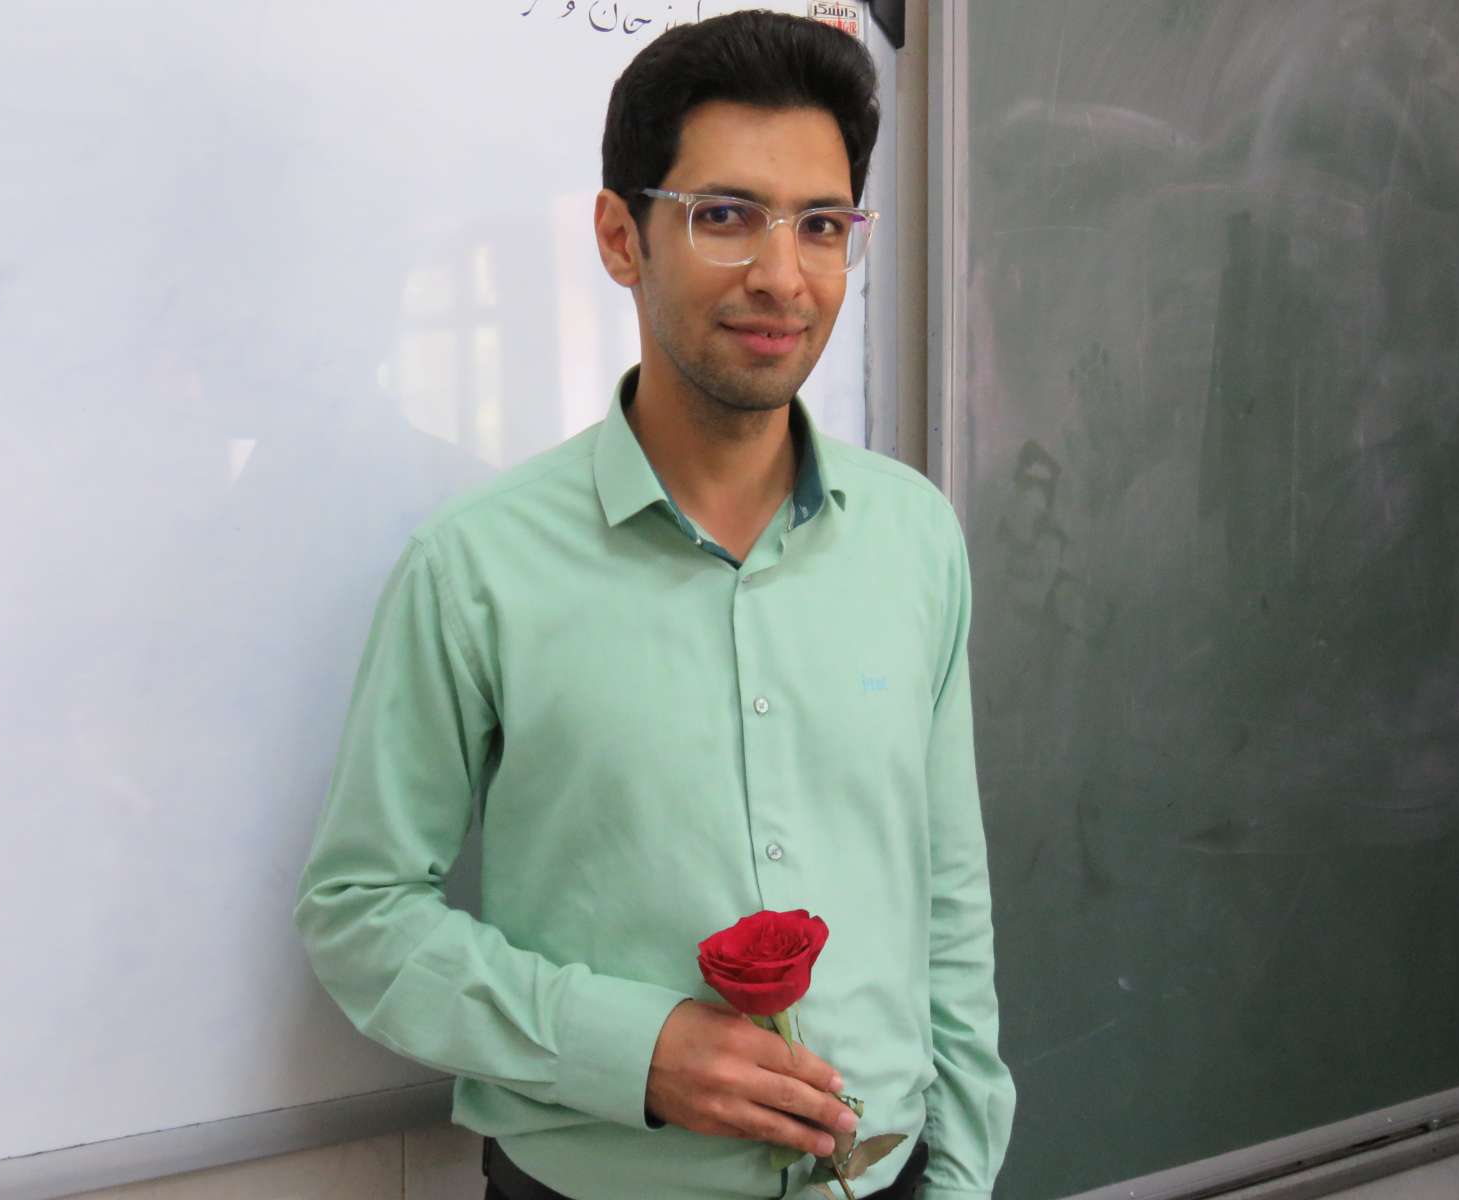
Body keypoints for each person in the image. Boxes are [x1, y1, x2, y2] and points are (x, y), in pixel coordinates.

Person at [293, 12, 1015, 1199]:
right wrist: (629, 1051)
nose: (782, 275)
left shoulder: (913, 539)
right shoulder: (476, 568)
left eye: (822, 225)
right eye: (724, 215)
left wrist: (963, 1173)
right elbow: (359, 913)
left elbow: (948, 896)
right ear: (620, 237)